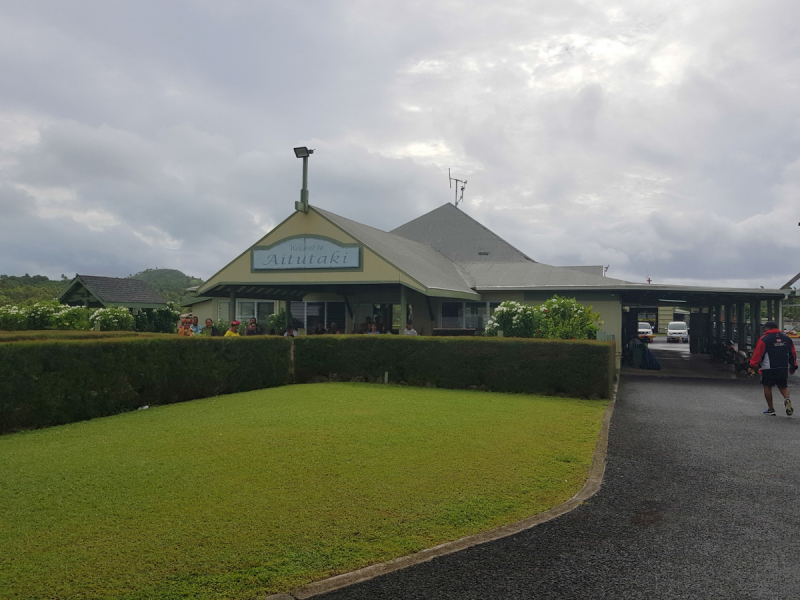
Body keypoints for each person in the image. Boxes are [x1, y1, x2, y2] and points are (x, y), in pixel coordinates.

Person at [749, 321, 797, 416]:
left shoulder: (764, 339)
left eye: (764, 328)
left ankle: (771, 409)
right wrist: (793, 366)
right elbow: (792, 354)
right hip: (783, 367)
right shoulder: (786, 339)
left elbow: (758, 353)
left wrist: (752, 365)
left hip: (768, 367)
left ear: (767, 328)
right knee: (783, 386)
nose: (763, 330)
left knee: (767, 386)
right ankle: (787, 399)